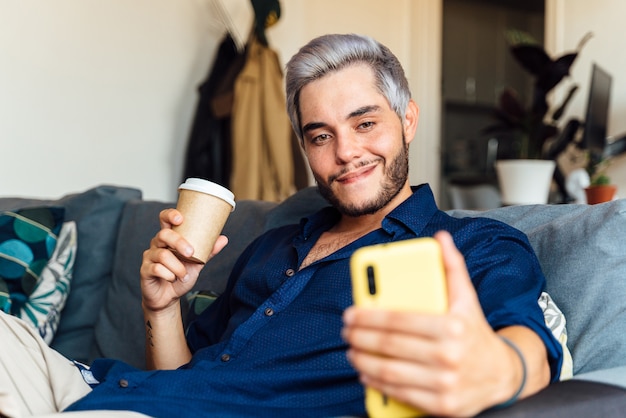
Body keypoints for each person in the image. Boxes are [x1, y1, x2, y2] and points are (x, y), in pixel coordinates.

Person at [0, 33, 566, 418]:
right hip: (105, 386)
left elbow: (528, 350)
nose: (346, 153)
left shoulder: (472, 247)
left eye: (365, 123)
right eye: (321, 136)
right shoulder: (273, 248)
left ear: (408, 119)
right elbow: (184, 374)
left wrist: (494, 368)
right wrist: (162, 306)